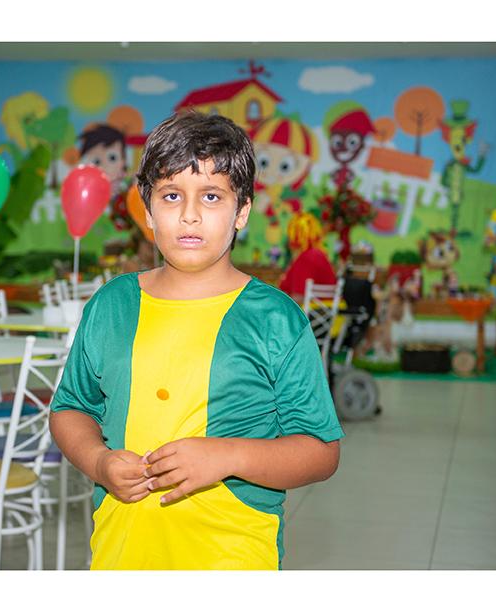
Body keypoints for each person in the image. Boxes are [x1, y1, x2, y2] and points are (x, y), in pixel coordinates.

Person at [49, 111, 344, 570]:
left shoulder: (275, 319)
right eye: (171, 195)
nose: (189, 214)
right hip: (120, 555)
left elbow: (321, 451)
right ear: (148, 210)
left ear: (241, 211)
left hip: (234, 559)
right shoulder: (111, 305)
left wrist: (228, 456)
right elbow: (70, 408)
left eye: (210, 196)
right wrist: (99, 462)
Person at [279, 212, 337, 301]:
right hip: (322, 307)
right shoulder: (317, 254)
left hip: (310, 308)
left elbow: (298, 297)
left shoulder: (306, 258)